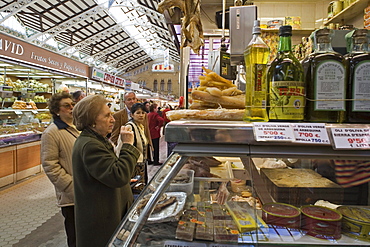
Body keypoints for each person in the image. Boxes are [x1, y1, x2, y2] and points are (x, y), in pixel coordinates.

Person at [72, 95, 140, 247]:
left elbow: (108, 172)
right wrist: (128, 145)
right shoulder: (90, 145)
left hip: (108, 215)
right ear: (92, 121)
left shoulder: (96, 140)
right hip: (102, 223)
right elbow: (118, 176)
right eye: (107, 115)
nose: (113, 119)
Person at [40, 92, 79, 247]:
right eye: (66, 106)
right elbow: (50, 164)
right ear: (57, 110)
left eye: (73, 105)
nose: (71, 108)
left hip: (85, 191)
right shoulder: (51, 133)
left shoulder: (78, 127)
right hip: (71, 196)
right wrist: (70, 186)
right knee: (75, 235)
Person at [123, 103, 151, 195]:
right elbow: (123, 147)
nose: (141, 115)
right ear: (132, 114)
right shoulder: (129, 127)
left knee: (141, 191)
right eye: (138, 113)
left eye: (143, 113)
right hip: (134, 167)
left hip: (141, 166)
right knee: (135, 192)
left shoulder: (140, 126)